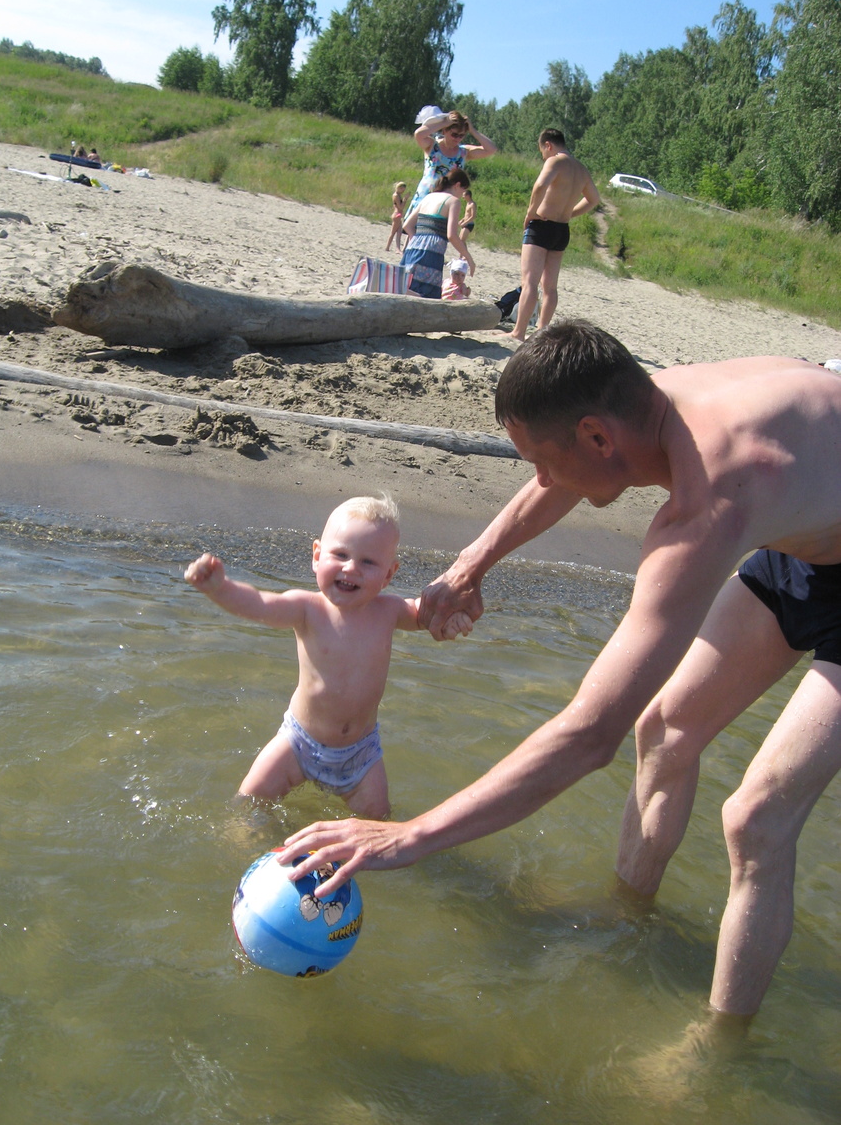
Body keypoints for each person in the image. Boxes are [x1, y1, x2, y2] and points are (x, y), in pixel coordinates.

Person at [281, 320, 841, 1031]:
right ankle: (629, 920)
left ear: (598, 439)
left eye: (539, 461)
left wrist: (409, 835)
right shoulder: (649, 394)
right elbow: (562, 477)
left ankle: (716, 1052)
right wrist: (469, 567)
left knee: (757, 817)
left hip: (801, 515)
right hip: (812, 541)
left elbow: (588, 734)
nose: (539, 480)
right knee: (665, 730)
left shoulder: (710, 505)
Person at [185, 494, 471, 817]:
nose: (351, 568)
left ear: (389, 575)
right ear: (317, 556)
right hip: (299, 743)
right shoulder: (306, 609)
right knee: (249, 802)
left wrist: (452, 621)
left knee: (378, 819)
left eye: (368, 562)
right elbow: (260, 606)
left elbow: (430, 615)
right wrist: (220, 589)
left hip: (362, 755)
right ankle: (248, 855)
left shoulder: (390, 611)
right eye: (340, 554)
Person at [503, 129, 599, 344]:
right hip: (561, 229)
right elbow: (594, 199)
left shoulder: (555, 162)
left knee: (530, 282)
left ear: (548, 145)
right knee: (550, 287)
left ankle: (518, 332)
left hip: (542, 226)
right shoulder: (581, 169)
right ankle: (541, 332)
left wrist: (531, 212)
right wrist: (570, 213)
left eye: (542, 152)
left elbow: (540, 185)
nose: (543, 157)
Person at [405, 108, 497, 231]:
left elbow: (491, 149)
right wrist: (444, 122)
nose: (457, 139)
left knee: (434, 238)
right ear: (445, 131)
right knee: (414, 235)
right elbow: (419, 134)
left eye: (461, 135)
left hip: (445, 202)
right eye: (454, 134)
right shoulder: (432, 145)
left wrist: (473, 131)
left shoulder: (463, 152)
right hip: (426, 196)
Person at [400, 169, 475, 300]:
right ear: (457, 185)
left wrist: (417, 241)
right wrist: (468, 257)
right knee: (426, 297)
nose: (462, 195)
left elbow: (407, 225)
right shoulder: (453, 201)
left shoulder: (428, 197)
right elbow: (451, 235)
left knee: (406, 288)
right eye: (463, 190)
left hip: (413, 247)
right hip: (432, 251)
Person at [385, 182, 407, 252]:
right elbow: (400, 207)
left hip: (398, 215)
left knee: (399, 233)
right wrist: (405, 200)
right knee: (393, 232)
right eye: (402, 189)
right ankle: (387, 247)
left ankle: (398, 249)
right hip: (397, 214)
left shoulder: (398, 195)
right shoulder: (396, 195)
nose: (403, 191)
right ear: (399, 188)